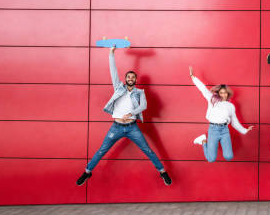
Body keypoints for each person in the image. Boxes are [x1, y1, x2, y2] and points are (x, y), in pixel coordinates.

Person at [76, 46, 171, 186]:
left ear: (135, 80)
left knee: (148, 150)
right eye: (128, 77)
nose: (130, 78)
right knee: (102, 150)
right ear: (125, 79)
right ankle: (87, 172)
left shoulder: (140, 92)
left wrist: (131, 113)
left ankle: (163, 172)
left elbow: (143, 106)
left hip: (132, 127)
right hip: (116, 127)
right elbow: (113, 71)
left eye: (133, 77)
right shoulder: (118, 88)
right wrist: (111, 53)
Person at [189, 66, 254, 162]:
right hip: (213, 130)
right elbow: (203, 88)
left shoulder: (230, 106)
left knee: (229, 157)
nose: (223, 94)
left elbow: (234, 122)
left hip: (224, 131)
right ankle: (203, 140)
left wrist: (244, 130)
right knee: (211, 159)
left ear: (228, 94)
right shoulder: (212, 99)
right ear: (218, 93)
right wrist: (193, 77)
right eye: (221, 93)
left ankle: (206, 141)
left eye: (225, 93)